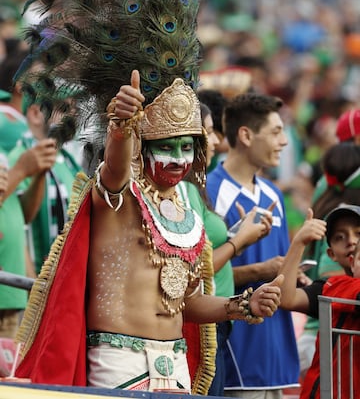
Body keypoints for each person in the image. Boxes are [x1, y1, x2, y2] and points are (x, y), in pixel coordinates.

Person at [14, 72, 283, 392]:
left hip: (177, 366)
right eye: (166, 147)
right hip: (118, 364)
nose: (178, 158)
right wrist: (121, 127)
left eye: (186, 146)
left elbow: (189, 303)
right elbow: (115, 168)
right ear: (142, 147)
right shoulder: (120, 196)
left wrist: (239, 305)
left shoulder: (189, 212)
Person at [206, 92, 301, 398]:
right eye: (275, 132)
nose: (284, 142)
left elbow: (281, 263)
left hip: (274, 355)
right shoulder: (210, 191)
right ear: (246, 135)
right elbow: (196, 278)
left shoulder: (274, 194)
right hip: (235, 354)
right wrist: (260, 270)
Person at [181, 102, 273, 396]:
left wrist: (238, 232)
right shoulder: (185, 190)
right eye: (209, 132)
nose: (217, 141)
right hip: (201, 324)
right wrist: (239, 242)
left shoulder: (196, 186)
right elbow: (193, 272)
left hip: (213, 320)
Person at [279, 203, 360, 399]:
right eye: (340, 237)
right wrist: (299, 242)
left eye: (358, 233)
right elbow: (284, 298)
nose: (351, 241)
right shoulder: (330, 287)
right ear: (331, 254)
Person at [8, 99, 81, 274]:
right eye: (63, 108)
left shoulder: (69, 163)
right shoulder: (18, 160)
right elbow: (19, 224)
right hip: (33, 283)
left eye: (74, 109)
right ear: (34, 114)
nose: (73, 115)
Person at [0, 140, 57, 339]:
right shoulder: (15, 156)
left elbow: (20, 217)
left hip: (12, 294)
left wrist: (38, 174)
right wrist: (20, 171)